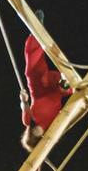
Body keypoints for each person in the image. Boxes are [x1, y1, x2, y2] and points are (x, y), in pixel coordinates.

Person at [20, 17, 70, 149]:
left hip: (38, 92)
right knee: (59, 86)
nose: (36, 132)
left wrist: (24, 100)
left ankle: (36, 31)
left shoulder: (28, 122)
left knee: (32, 70)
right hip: (55, 93)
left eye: (32, 134)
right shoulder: (52, 131)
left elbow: (24, 106)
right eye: (37, 136)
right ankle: (64, 82)